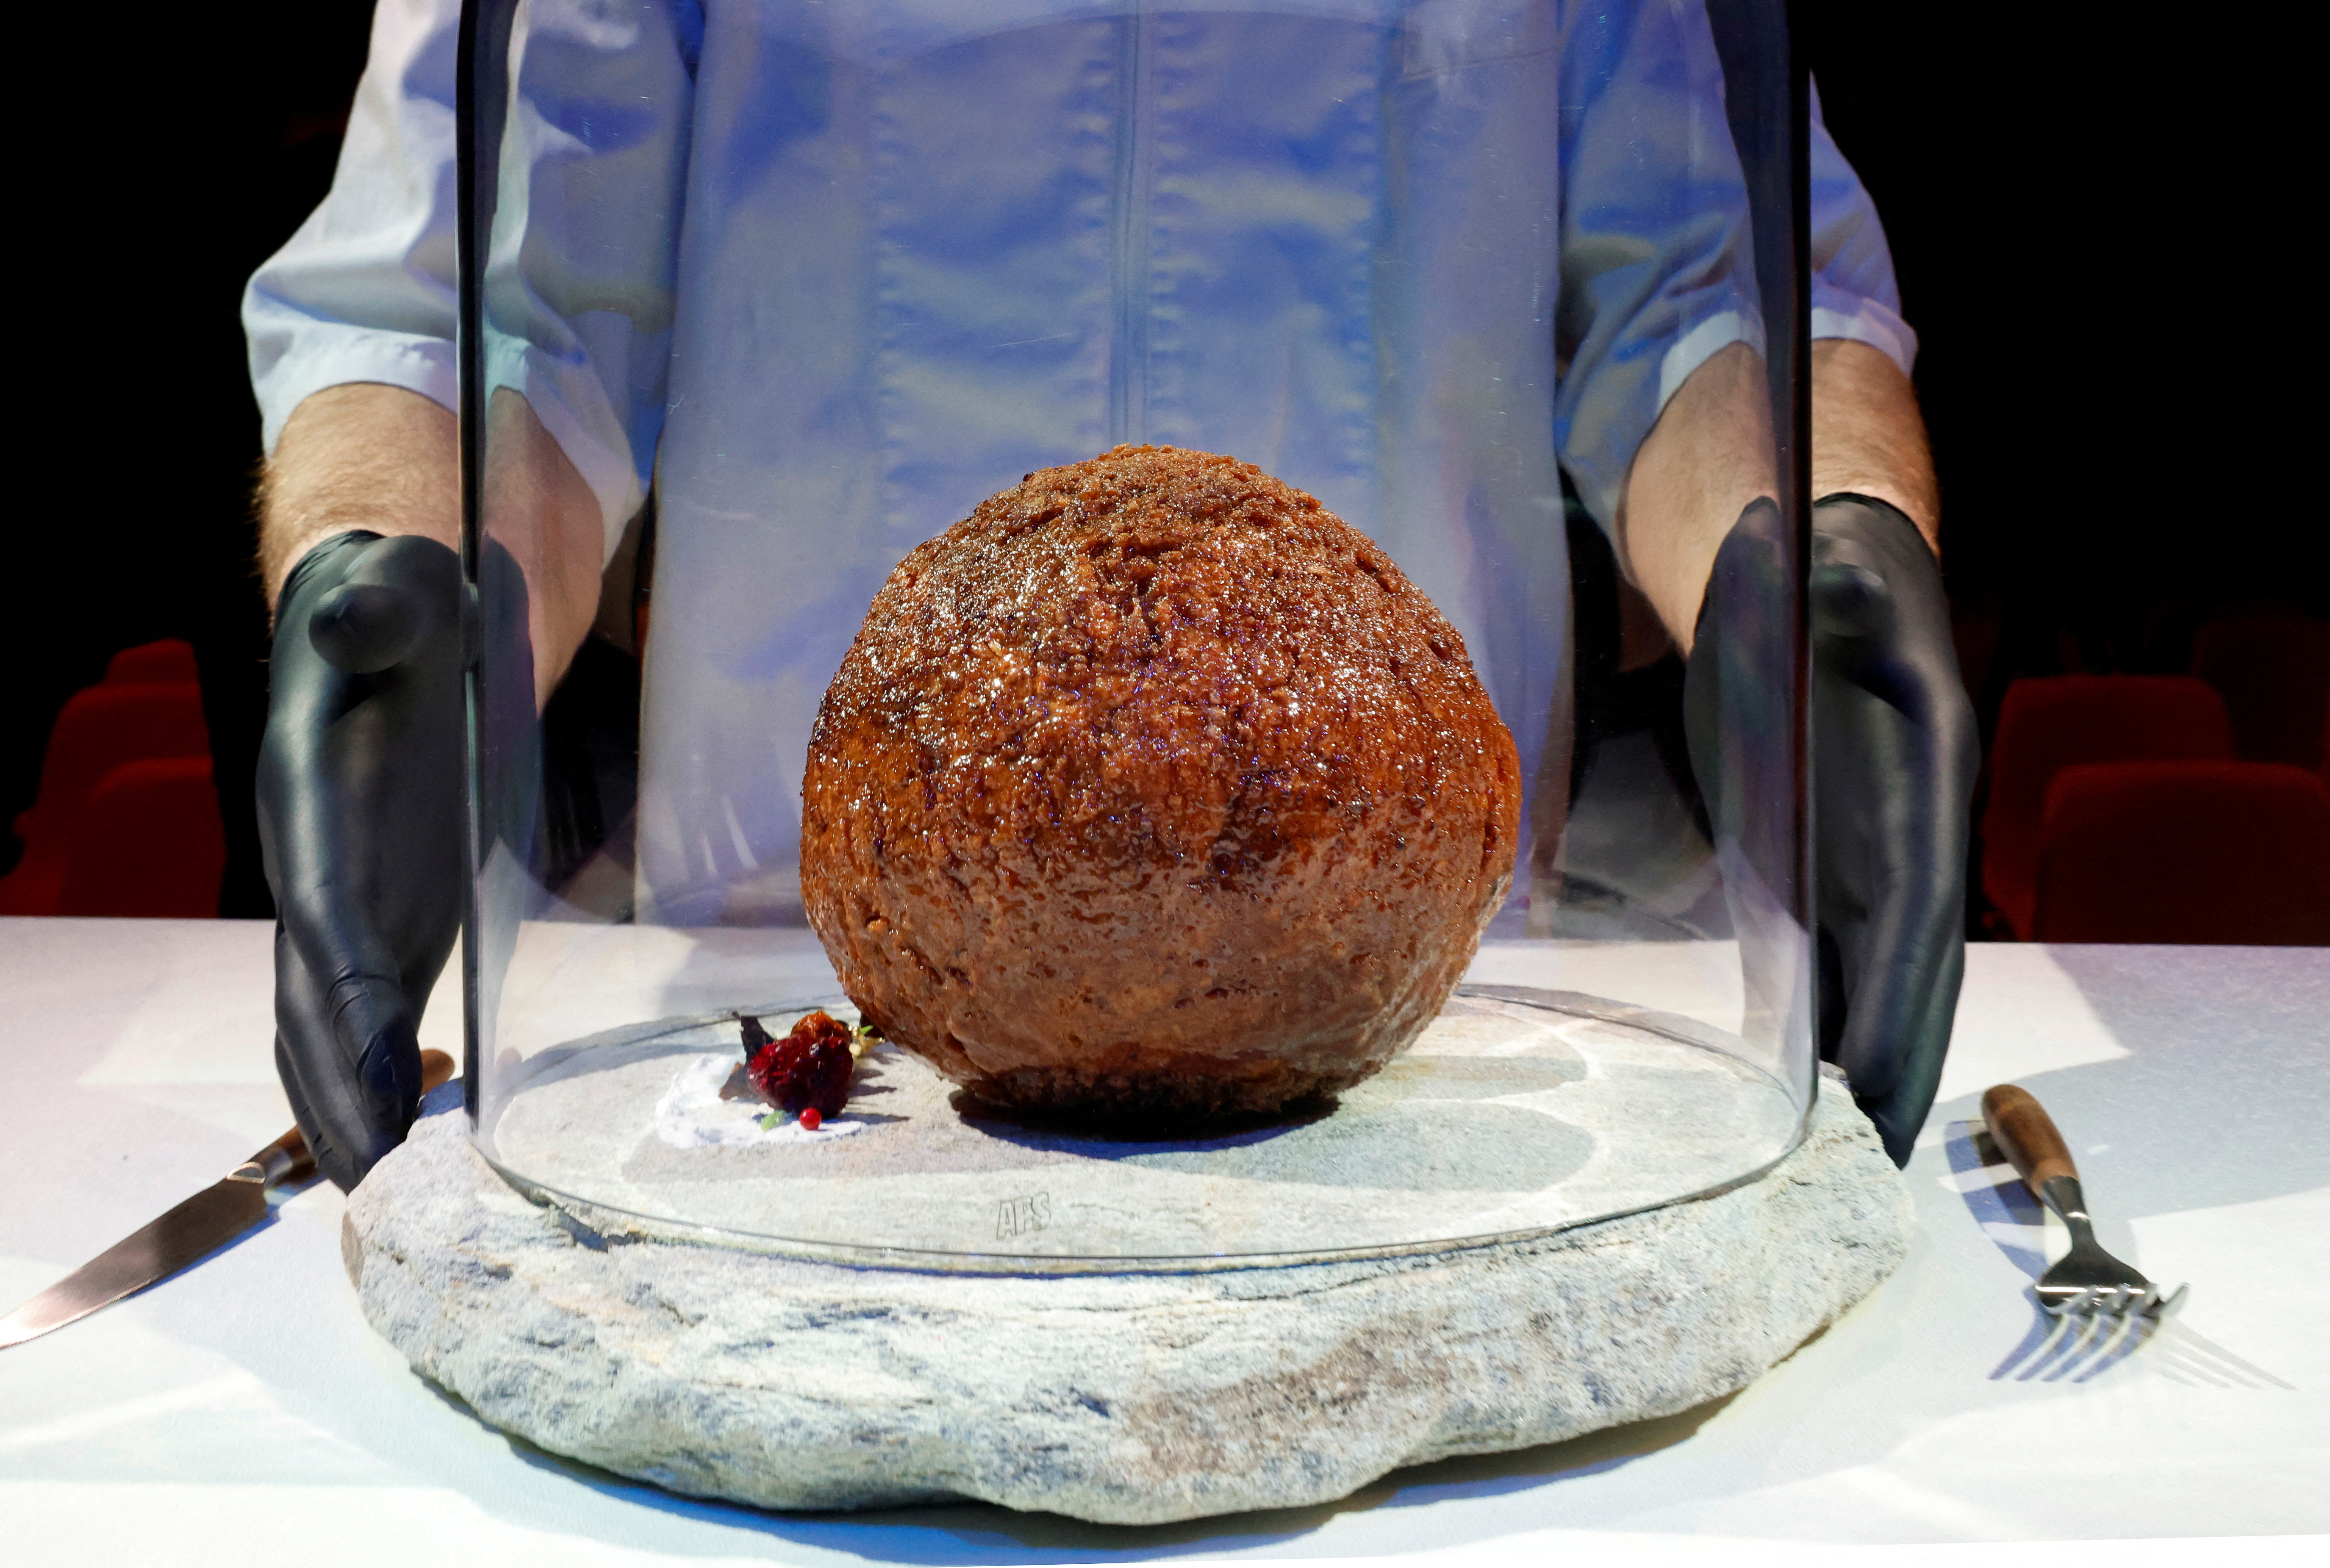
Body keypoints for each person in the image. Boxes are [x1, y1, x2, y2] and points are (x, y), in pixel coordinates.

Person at [247, 0, 1973, 1188]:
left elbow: (1707, 289)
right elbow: (484, 301)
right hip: (783, 975)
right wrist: (397, 572)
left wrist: (1808, 544)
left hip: (1418, 998)